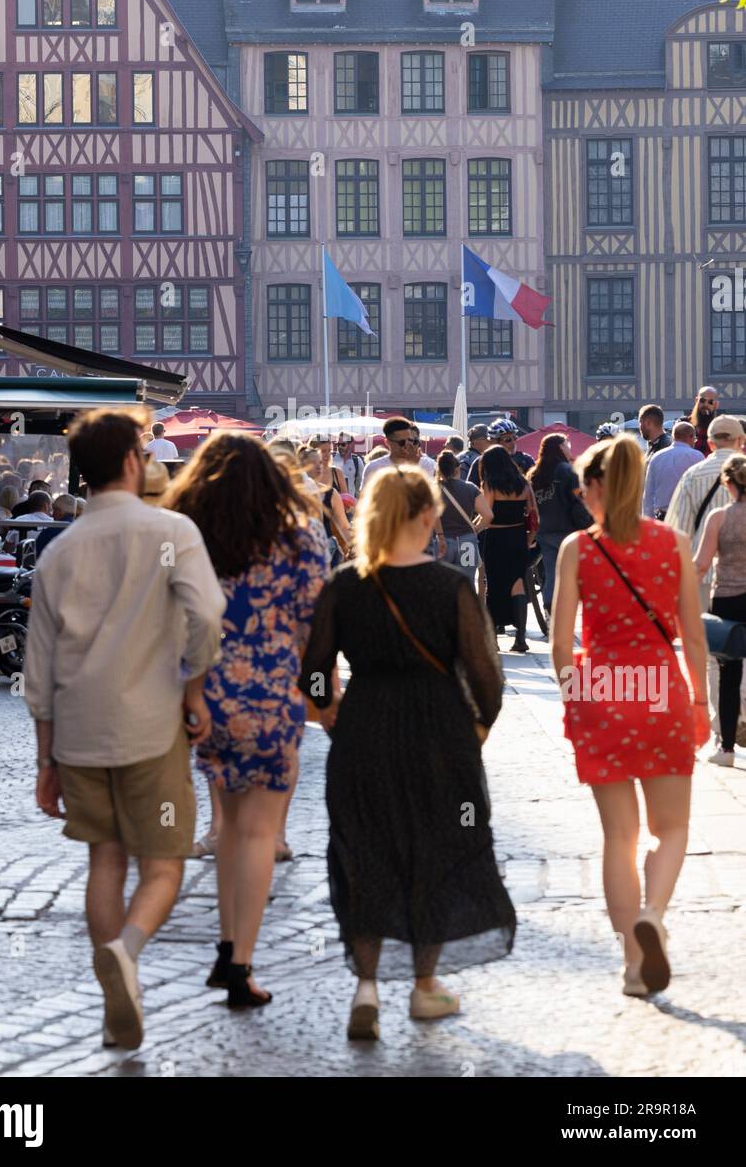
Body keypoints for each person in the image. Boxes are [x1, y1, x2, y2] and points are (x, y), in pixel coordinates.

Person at [25, 408, 226, 1051]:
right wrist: (194, 686)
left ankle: (117, 974)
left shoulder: (59, 553)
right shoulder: (172, 532)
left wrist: (45, 760)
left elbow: (39, 670)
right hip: (153, 724)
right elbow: (207, 617)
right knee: (163, 865)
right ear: (136, 462)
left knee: (103, 861)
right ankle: (127, 954)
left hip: (80, 730)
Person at [298, 465, 515, 1040]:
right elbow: (486, 677)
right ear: (426, 516)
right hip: (440, 734)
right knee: (436, 854)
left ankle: (366, 987)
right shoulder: (449, 587)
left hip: (364, 731)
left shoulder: (344, 584)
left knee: (364, 853)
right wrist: (479, 730)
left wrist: (329, 719)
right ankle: (424, 987)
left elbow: (315, 672)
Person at [164, 433, 327, 1009]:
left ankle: (226, 945)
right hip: (270, 695)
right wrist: (318, 691)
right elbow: (315, 625)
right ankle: (239, 962)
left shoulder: (186, 539)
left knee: (231, 827)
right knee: (258, 833)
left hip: (203, 694)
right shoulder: (299, 540)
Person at [550, 436, 709, 998]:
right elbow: (692, 634)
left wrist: (576, 695)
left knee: (617, 837)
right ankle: (655, 913)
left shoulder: (577, 548)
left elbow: (561, 641)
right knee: (672, 831)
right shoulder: (673, 544)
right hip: (661, 690)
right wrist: (699, 703)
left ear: (595, 488)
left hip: (600, 689)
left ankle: (633, 967)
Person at [666, 415, 745, 741]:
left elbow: (677, 534)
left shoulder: (692, 476)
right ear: (740, 441)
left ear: (709, 443)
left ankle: (721, 724)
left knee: (713, 654)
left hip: (705, 582)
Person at [693, 453, 746, 767]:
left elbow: (701, 564)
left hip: (727, 599)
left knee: (728, 675)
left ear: (728, 483)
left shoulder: (719, 517)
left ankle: (726, 748)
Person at [479, 445, 538, 651]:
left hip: (496, 538)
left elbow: (487, 515)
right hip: (518, 538)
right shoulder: (523, 483)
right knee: (518, 584)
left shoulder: (490, 484)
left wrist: (472, 528)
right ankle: (520, 638)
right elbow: (533, 515)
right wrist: (529, 539)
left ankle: (493, 639)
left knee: (494, 586)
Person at [530, 432, 591, 622]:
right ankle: (568, 613)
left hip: (544, 530)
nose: (569, 448)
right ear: (559, 448)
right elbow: (578, 499)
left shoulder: (535, 474)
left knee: (551, 572)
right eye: (567, 445)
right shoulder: (566, 470)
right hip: (567, 529)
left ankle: (550, 610)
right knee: (574, 574)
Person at [434, 449, 492, 585]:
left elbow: (433, 516)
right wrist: (476, 529)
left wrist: (440, 535)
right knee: (467, 584)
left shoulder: (433, 489)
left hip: (443, 542)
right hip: (467, 541)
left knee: (443, 584)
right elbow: (488, 515)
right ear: (457, 468)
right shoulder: (470, 488)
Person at [642, 421, 703, 521]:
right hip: (688, 517)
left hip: (663, 516)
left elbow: (648, 494)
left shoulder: (657, 457)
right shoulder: (697, 457)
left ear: (673, 436)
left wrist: (648, 520)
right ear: (691, 436)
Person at [361, 418, 437, 491]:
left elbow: (429, 497)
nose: (407, 445)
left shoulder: (428, 465)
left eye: (412, 441)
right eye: (401, 442)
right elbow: (365, 498)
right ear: (387, 442)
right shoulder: (373, 467)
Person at [467, 419, 534, 488]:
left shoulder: (526, 460)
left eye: (515, 438)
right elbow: (471, 492)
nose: (513, 443)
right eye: (508, 440)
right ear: (494, 441)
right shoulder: (481, 462)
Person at [688, 386, 720, 457]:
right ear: (697, 401)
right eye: (702, 400)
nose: (705, 404)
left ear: (716, 405)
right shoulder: (685, 424)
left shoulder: (720, 427)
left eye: (710, 402)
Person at [333, 433, 364, 498]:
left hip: (350, 503)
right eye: (338, 444)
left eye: (343, 444)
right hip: (334, 502)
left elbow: (362, 484)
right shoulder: (331, 459)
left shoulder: (357, 461)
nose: (340, 447)